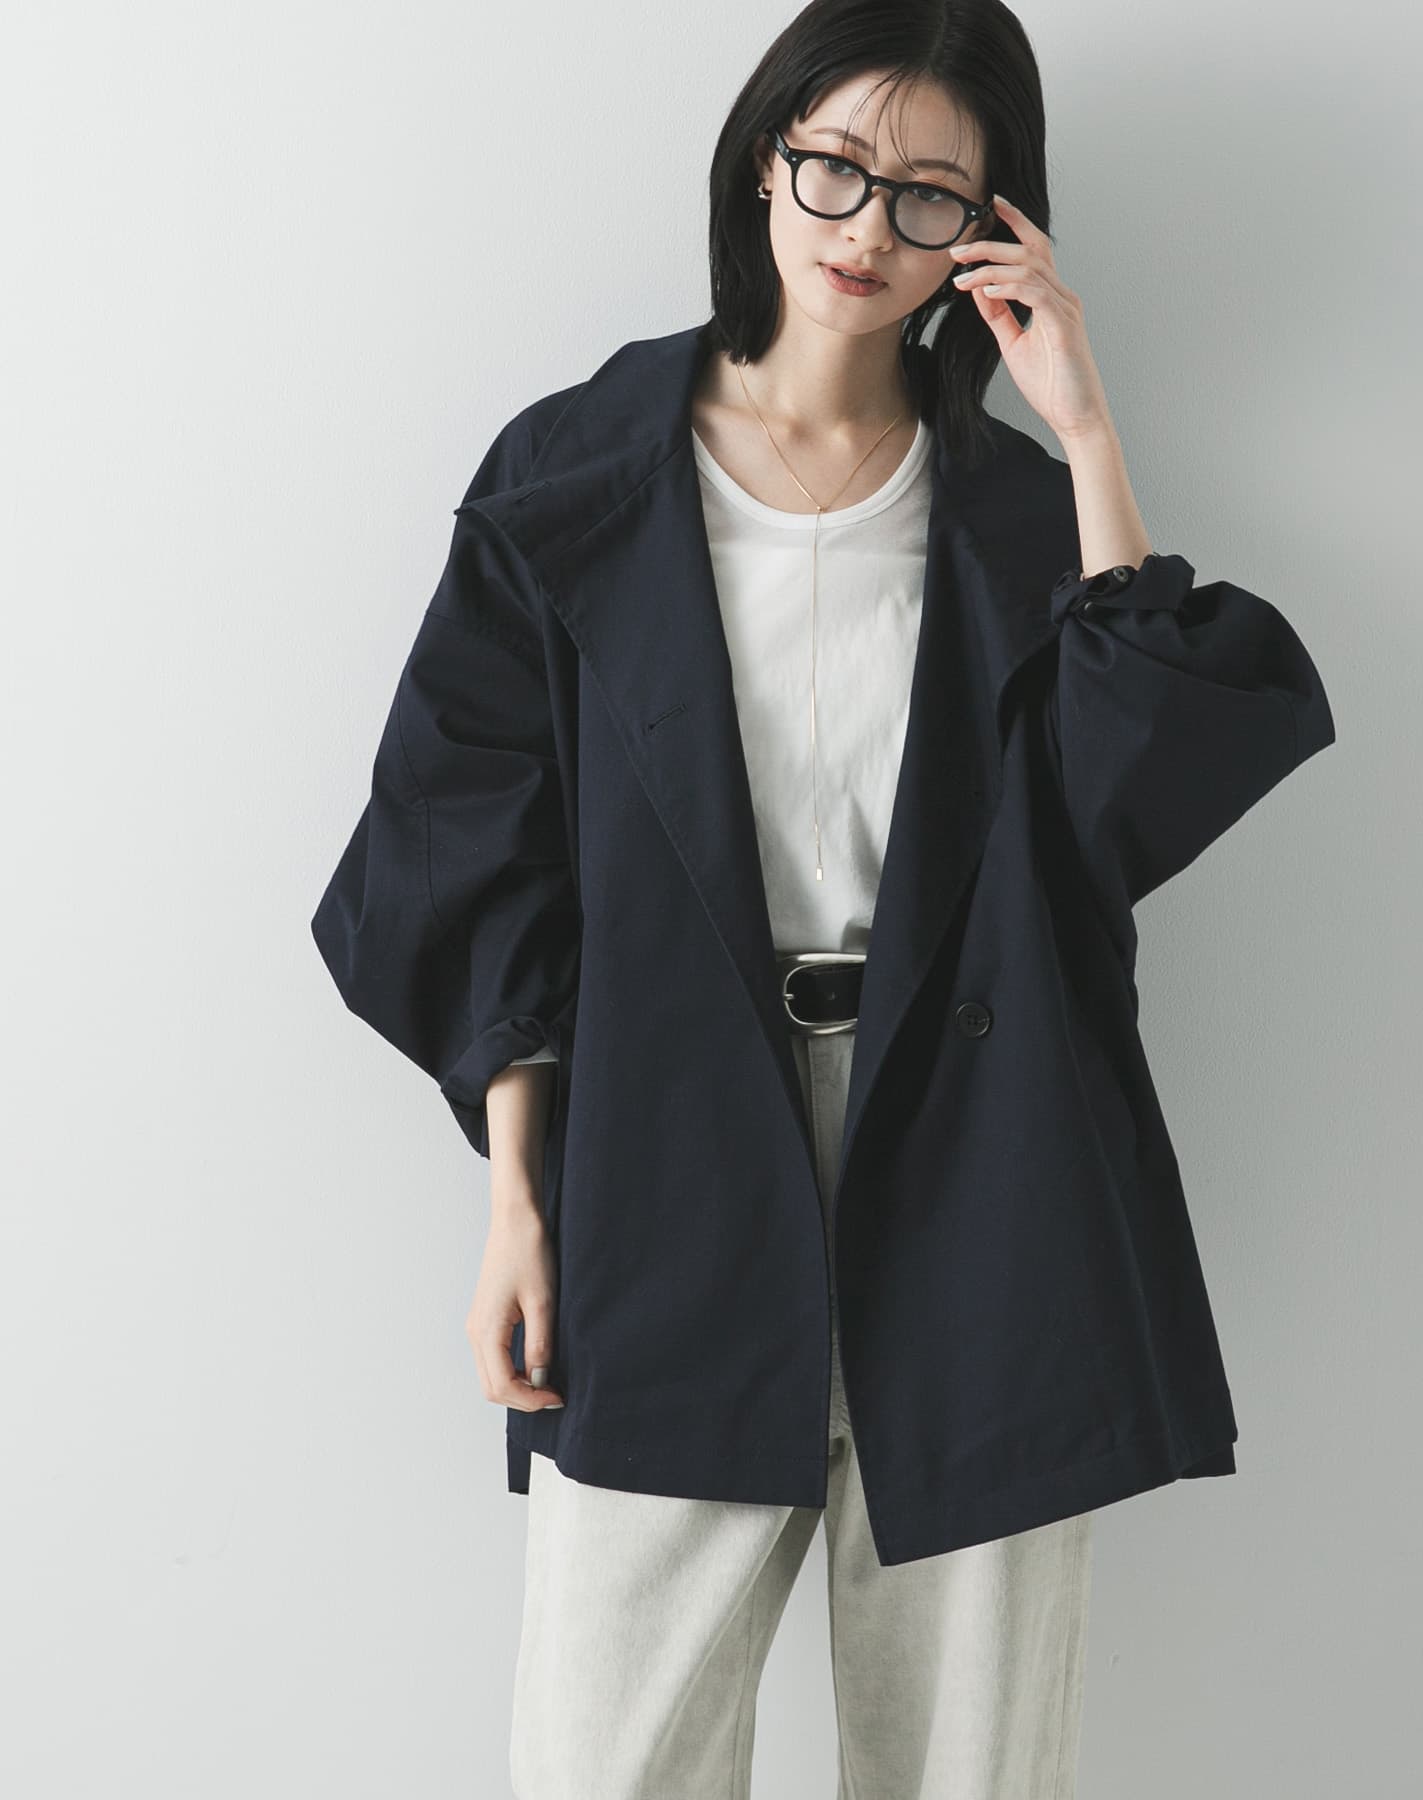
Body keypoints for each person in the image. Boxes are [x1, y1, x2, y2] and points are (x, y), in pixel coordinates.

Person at [311, 3, 1335, 1795]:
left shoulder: (1015, 512)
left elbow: (1138, 780)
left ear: (992, 228)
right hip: (666, 1147)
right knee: (604, 1760)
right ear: (764, 157)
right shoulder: (576, 475)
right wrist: (517, 1205)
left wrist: (1086, 429)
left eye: (931, 193)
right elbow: (471, 853)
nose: (868, 229)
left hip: (987, 1156)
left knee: (971, 1767)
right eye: (837, 168)